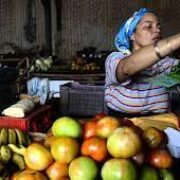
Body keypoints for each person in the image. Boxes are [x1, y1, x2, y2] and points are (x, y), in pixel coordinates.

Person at [105, 8, 180, 117]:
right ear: (132, 35)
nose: (157, 30)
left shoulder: (165, 64)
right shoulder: (115, 59)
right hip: (122, 127)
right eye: (148, 26)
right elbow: (127, 68)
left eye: (158, 27)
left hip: (160, 127)